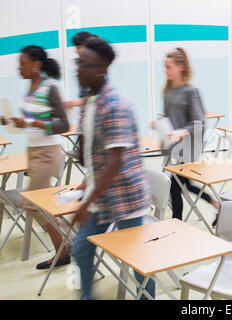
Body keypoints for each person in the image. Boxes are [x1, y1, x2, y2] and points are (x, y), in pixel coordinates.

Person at [70, 37, 154, 300]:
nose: (77, 69)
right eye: (77, 63)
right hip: (101, 192)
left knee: (135, 259)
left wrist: (85, 203)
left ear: (101, 69)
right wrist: (86, 182)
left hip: (125, 195)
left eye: (83, 64)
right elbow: (91, 152)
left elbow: (115, 162)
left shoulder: (116, 104)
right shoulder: (89, 99)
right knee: (81, 248)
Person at [0, 45, 70, 269]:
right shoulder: (31, 88)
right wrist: (13, 121)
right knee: (38, 203)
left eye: (22, 63)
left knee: (32, 204)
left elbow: (63, 124)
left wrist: (30, 122)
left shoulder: (50, 88)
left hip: (48, 152)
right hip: (34, 150)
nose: (19, 67)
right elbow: (33, 120)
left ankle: (65, 246)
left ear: (36, 64)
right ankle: (66, 243)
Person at [154, 47, 219, 226]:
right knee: (185, 185)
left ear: (180, 67)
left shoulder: (192, 91)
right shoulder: (168, 90)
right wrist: (160, 125)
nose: (165, 70)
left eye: (169, 67)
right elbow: (168, 117)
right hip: (173, 146)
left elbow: (200, 123)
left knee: (175, 187)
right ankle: (218, 205)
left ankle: (177, 225)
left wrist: (183, 131)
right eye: (165, 67)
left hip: (189, 147)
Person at [64, 31, 99, 110]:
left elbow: (98, 96)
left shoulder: (97, 68)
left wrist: (75, 102)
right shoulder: (83, 66)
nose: (76, 51)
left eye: (78, 47)